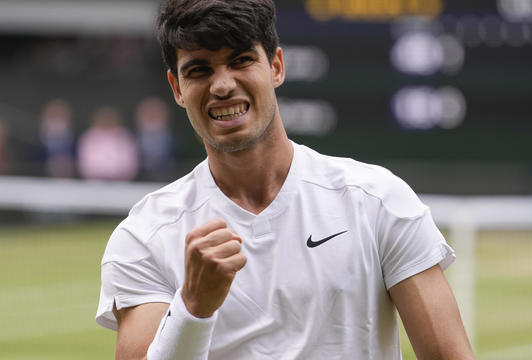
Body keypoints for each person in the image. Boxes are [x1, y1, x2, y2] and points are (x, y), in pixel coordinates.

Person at [96, 0, 475, 359]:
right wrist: (193, 307)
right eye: (200, 70)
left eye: (240, 60)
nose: (222, 85)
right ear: (177, 88)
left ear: (276, 65)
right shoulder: (144, 236)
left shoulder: (376, 201)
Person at [77, 106, 139, 181]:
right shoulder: (89, 136)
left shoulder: (125, 136)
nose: (107, 121)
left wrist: (120, 175)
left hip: (122, 182)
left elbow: (131, 161)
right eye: (104, 118)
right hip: (94, 182)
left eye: (110, 118)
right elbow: (84, 161)